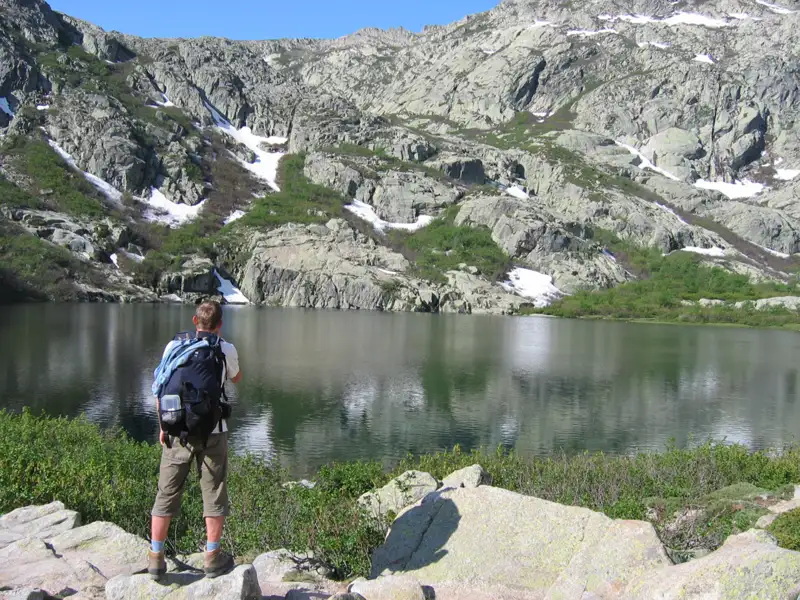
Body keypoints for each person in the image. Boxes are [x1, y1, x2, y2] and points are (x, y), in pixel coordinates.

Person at [147, 300, 243, 581]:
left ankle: (156, 558)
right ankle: (212, 557)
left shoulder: (173, 346)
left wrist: (163, 425)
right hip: (214, 431)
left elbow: (160, 387)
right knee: (213, 492)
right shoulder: (225, 349)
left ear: (194, 320)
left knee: (166, 492)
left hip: (177, 431)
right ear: (220, 325)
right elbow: (237, 378)